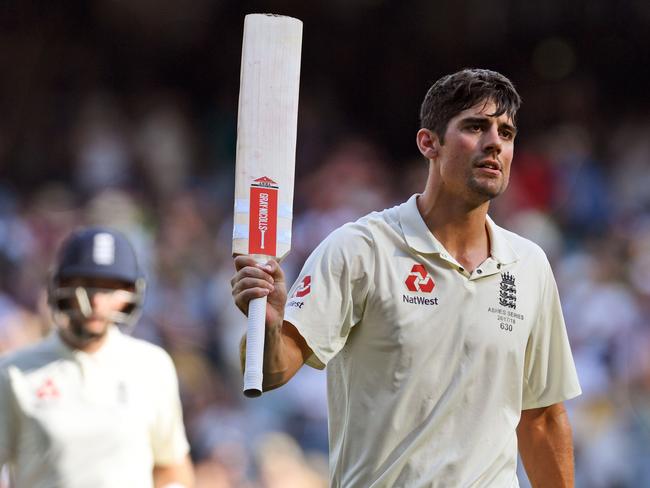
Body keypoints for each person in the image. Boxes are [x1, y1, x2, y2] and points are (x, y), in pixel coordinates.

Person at [232, 68, 582, 487]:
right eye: (475, 127)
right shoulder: (360, 248)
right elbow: (271, 372)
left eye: (506, 133)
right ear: (428, 143)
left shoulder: (530, 265)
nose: (494, 143)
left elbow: (541, 418)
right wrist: (268, 326)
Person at [0, 227, 194, 488]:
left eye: (111, 287)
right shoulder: (14, 372)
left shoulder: (152, 366)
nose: (98, 300)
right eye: (87, 285)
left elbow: (172, 467)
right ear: (60, 285)